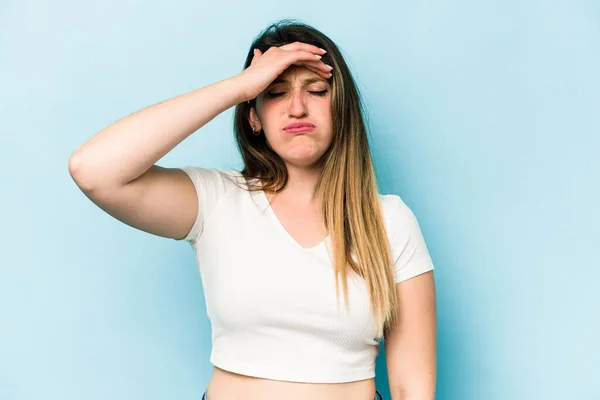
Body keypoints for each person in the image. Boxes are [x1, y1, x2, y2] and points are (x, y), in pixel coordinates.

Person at [68, 19, 437, 400]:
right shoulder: (217, 201)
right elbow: (94, 170)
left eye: (317, 90)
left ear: (340, 108)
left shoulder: (389, 221)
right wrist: (240, 86)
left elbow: (413, 387)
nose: (297, 108)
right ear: (253, 116)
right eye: (275, 92)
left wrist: (259, 90)